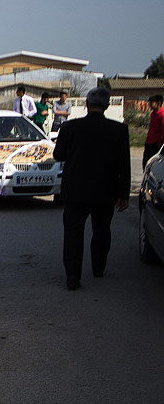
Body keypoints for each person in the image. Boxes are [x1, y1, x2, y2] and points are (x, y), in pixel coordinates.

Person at [53, 87, 130, 290]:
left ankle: (72, 276)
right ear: (106, 106)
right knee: (102, 230)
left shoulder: (69, 127)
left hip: (75, 190)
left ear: (86, 104)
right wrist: (124, 194)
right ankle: (98, 267)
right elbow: (124, 164)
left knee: (73, 234)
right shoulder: (119, 130)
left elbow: (58, 155)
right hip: (105, 190)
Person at [143, 94, 164, 170]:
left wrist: (159, 144)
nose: (149, 105)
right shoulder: (153, 114)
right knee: (146, 163)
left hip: (156, 144)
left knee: (153, 164)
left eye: (152, 103)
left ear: (158, 103)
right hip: (149, 142)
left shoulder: (162, 115)